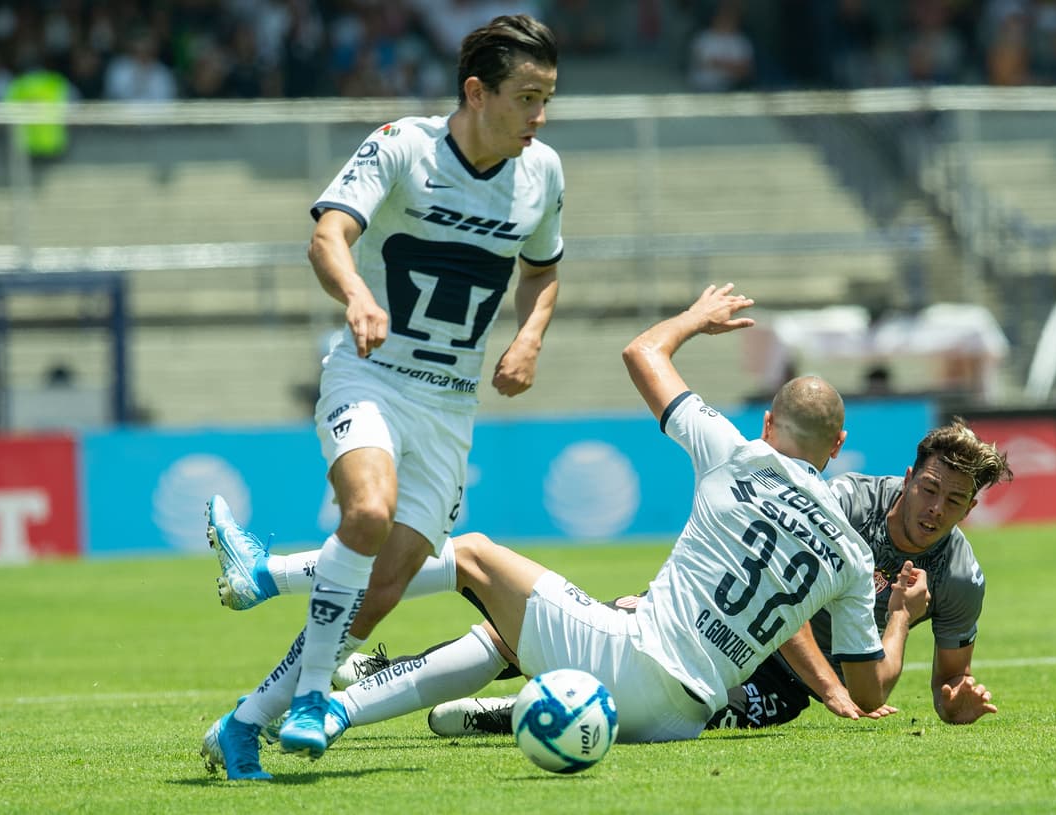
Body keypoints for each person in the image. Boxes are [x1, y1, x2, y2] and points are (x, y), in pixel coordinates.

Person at [203, 283, 929, 776]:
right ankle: (332, 712)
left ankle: (271, 574)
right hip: (684, 713)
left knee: (478, 555)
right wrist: (899, 619)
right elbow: (866, 693)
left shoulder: (736, 451)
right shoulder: (844, 548)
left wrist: (696, 318)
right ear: (837, 450)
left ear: (770, 425)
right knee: (502, 636)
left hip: (632, 658)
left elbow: (642, 352)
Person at [200, 14, 565, 780]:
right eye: (527, 97)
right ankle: (308, 699)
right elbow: (328, 235)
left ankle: (242, 717)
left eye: (547, 99)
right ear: (476, 91)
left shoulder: (544, 173)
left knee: (380, 591)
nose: (539, 116)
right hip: (371, 375)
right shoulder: (403, 145)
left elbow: (541, 270)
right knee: (365, 512)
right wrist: (359, 294)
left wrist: (529, 335)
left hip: (450, 406)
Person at [420, 415, 1008, 736]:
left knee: (689, 712)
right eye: (929, 489)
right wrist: (836, 683)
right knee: (541, 633)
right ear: (909, 478)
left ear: (970, 509)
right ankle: (394, 669)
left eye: (954, 501)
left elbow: (946, 682)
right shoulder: (844, 505)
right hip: (711, 624)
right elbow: (787, 602)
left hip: (781, 685)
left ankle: (509, 715)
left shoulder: (960, 576)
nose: (935, 509)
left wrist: (952, 704)